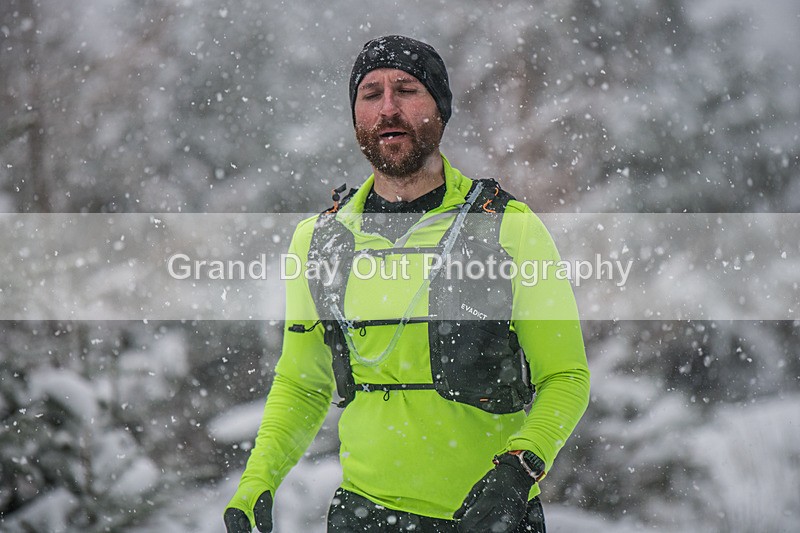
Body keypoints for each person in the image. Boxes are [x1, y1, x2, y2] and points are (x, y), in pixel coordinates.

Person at [224, 35, 590, 533]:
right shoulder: (320, 241)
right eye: (370, 94)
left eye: (406, 90)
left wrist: (519, 469)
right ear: (355, 115)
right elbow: (303, 383)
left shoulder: (509, 228)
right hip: (363, 515)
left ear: (439, 107)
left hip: (487, 515)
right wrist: (256, 482)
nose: (387, 108)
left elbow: (565, 377)